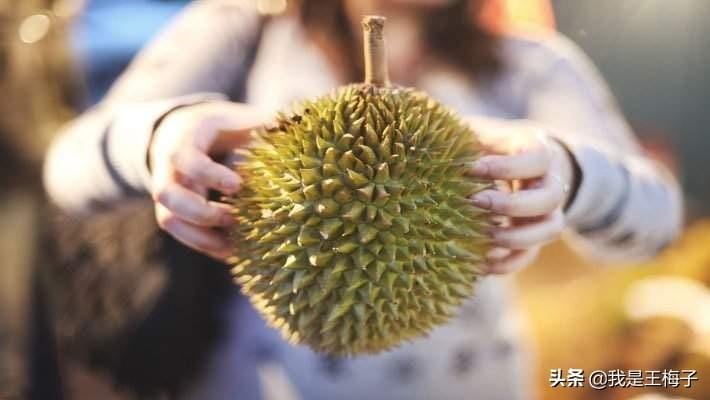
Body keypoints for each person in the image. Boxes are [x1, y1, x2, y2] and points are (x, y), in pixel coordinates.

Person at [43, 0, 683, 398]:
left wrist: (572, 176)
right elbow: (68, 168)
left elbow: (659, 220)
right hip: (253, 385)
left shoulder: (527, 64)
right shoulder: (239, 27)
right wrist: (156, 140)